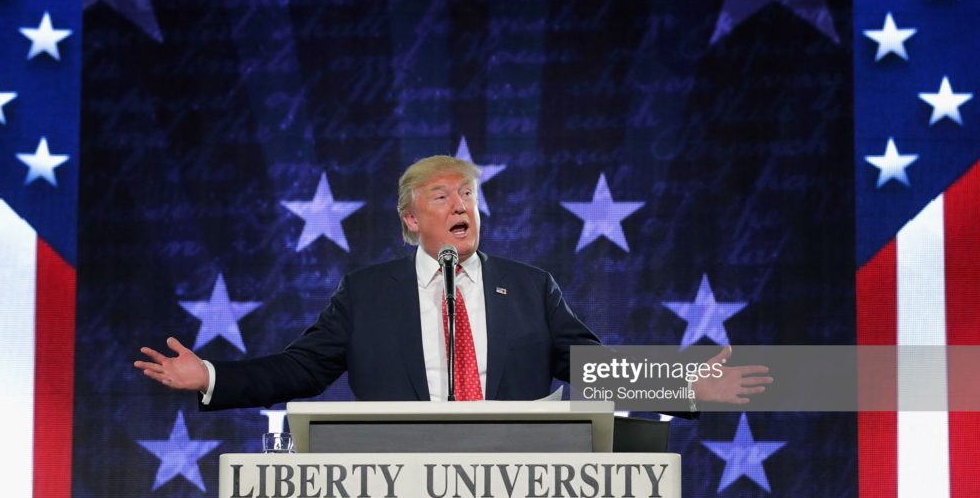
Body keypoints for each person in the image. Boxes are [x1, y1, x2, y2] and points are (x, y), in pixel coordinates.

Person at [135, 155, 769, 408]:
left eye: (467, 193)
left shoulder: (528, 286)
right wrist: (212, 376)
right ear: (412, 220)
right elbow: (301, 370)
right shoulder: (367, 292)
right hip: (395, 489)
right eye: (442, 196)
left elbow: (587, 366)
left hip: (517, 485)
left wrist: (682, 382)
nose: (461, 204)